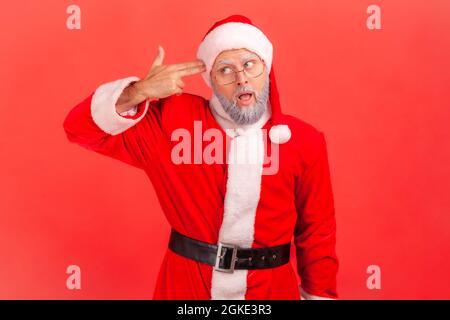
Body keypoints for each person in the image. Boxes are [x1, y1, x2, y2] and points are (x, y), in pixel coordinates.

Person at [63, 14, 338, 300]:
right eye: (225, 70)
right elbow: (79, 129)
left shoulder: (305, 141)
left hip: (271, 292)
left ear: (266, 68)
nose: (241, 78)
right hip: (187, 288)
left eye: (249, 64)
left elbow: (317, 234)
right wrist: (139, 91)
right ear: (211, 80)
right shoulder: (172, 122)